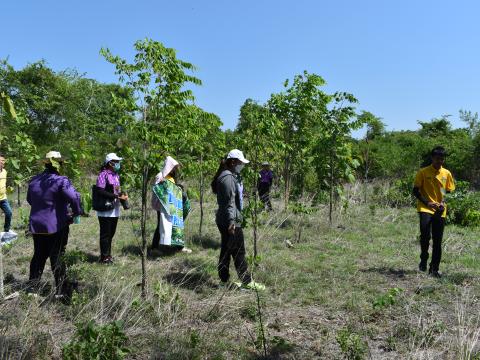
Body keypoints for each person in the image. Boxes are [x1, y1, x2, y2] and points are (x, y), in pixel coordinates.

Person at [27, 151, 82, 297]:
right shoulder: (61, 181)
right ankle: (62, 291)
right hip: (56, 225)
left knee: (38, 255)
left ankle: (33, 288)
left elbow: (30, 200)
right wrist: (76, 212)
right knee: (57, 256)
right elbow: (74, 198)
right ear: (60, 164)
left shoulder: (34, 180)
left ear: (46, 164)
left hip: (37, 225)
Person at [211, 149, 265, 291]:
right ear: (233, 162)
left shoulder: (227, 175)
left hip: (226, 218)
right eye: (241, 162)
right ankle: (246, 282)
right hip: (231, 221)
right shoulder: (228, 178)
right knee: (238, 251)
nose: (242, 165)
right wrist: (232, 222)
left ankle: (223, 281)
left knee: (227, 250)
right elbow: (230, 202)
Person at [413, 146, 455, 278]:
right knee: (425, 235)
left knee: (438, 240)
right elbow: (416, 191)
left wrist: (442, 201)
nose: (439, 162)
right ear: (432, 158)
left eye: (442, 159)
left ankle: (434, 269)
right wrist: (427, 203)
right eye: (437, 159)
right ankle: (424, 257)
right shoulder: (423, 172)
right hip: (425, 208)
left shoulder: (446, 173)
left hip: (440, 210)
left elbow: (447, 190)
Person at [151, 156, 191, 253]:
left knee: (176, 225)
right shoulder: (160, 176)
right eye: (173, 167)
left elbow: (173, 190)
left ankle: (178, 247)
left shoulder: (171, 177)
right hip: (163, 206)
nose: (175, 170)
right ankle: (154, 248)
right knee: (160, 225)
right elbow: (157, 190)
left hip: (173, 206)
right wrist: (161, 183)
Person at [95, 153, 128, 264]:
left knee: (111, 233)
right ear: (110, 163)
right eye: (116, 161)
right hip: (105, 208)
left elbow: (117, 190)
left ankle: (108, 255)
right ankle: (104, 257)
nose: (118, 163)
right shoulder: (103, 175)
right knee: (105, 233)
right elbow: (100, 190)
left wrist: (122, 195)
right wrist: (115, 196)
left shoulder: (116, 175)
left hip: (114, 207)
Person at [0, 154, 17, 243]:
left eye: (4, 160)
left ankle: (6, 231)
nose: (3, 162)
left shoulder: (5, 171)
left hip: (3, 198)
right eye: (1, 160)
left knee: (9, 213)